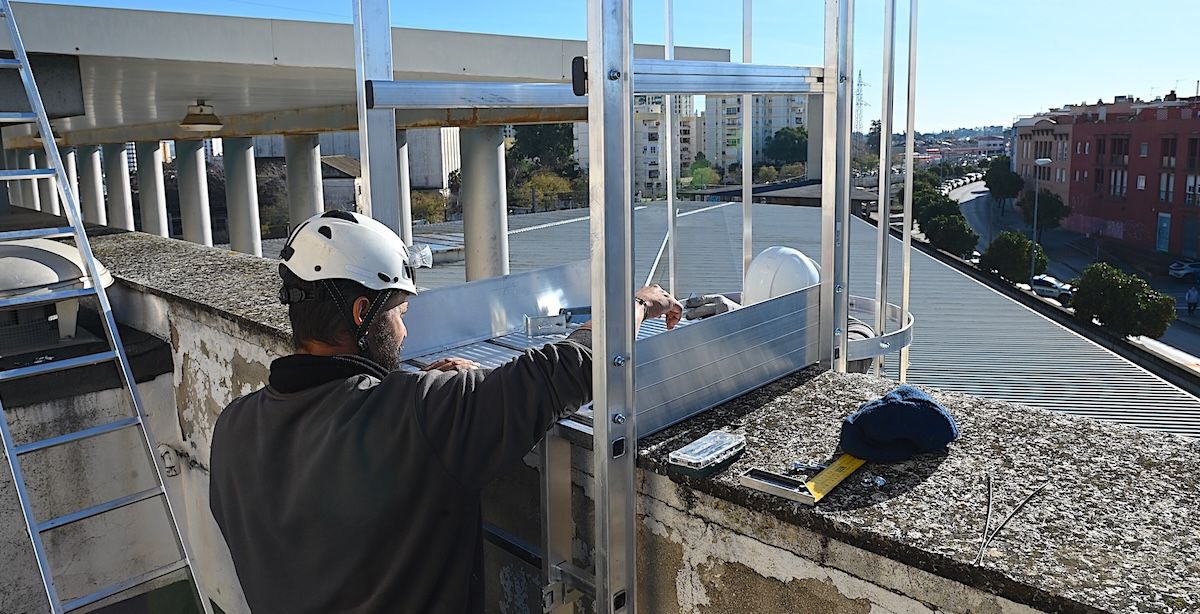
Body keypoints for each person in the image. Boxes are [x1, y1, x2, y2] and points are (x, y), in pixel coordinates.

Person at [208, 210, 682, 614]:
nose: (405, 332)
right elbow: (570, 367)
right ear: (361, 313)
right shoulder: (421, 415)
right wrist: (636, 303)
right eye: (399, 314)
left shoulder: (231, 430)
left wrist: (410, 394)